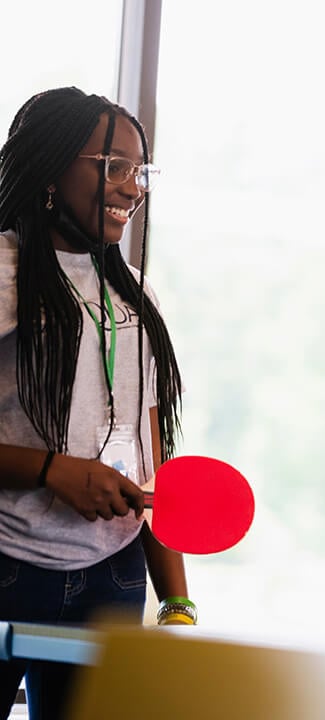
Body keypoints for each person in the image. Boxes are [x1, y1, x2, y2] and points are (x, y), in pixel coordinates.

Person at [0, 87, 194, 718]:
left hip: (113, 577)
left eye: (139, 172)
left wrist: (177, 601)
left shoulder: (137, 297)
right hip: (9, 567)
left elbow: (151, 457)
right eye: (112, 167)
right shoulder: (5, 272)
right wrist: (54, 470)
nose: (131, 188)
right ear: (54, 167)